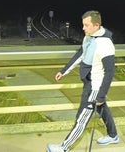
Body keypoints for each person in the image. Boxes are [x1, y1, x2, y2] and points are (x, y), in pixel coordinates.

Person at [46, 10, 119, 152]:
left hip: (95, 86)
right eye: (83, 25)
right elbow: (81, 54)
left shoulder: (105, 44)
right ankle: (113, 135)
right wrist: (63, 71)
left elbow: (110, 72)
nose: (83, 28)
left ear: (96, 25)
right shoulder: (88, 36)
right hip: (88, 81)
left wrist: (101, 95)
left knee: (82, 118)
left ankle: (63, 147)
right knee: (102, 108)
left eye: (86, 25)